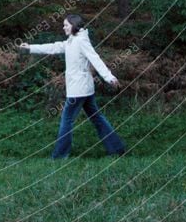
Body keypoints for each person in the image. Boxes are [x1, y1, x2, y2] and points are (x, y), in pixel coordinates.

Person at [19, 14, 126, 159]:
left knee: (66, 120)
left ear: (74, 25)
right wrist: (30, 48)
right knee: (97, 118)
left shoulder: (81, 41)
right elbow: (54, 47)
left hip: (78, 90)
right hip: (84, 89)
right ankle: (117, 149)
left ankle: (60, 155)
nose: (64, 27)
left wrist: (109, 77)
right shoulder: (71, 41)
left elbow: (95, 59)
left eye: (66, 25)